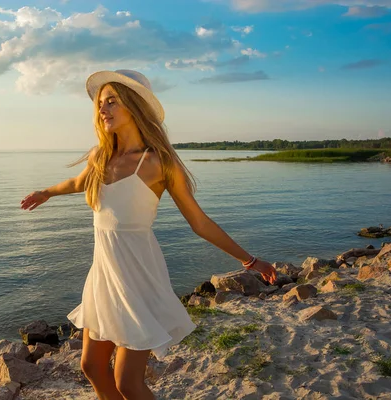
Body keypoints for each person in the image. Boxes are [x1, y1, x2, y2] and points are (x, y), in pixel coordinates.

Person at [20, 69, 278, 400]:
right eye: (100, 103)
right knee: (92, 367)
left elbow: (199, 222)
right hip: (103, 275)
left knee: (128, 382)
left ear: (135, 105)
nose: (103, 110)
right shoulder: (101, 156)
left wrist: (250, 260)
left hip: (138, 277)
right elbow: (76, 183)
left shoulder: (158, 162)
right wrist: (47, 192)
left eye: (111, 101)